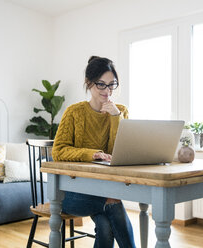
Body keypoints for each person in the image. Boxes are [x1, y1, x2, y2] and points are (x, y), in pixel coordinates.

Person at [52, 56, 136, 248]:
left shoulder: (120, 112)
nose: (107, 91)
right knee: (113, 200)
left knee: (106, 227)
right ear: (89, 83)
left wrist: (116, 118)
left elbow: (121, 153)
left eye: (111, 85)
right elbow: (58, 151)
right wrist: (92, 154)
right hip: (72, 193)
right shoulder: (74, 112)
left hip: (104, 188)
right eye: (101, 85)